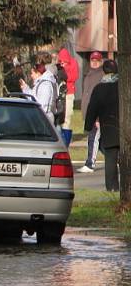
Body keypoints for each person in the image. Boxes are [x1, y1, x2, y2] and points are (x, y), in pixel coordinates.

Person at [84, 59, 120, 192]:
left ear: (104, 71)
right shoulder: (123, 86)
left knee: (110, 158)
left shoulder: (99, 89)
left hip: (109, 128)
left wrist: (88, 126)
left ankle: (112, 187)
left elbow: (92, 108)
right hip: (125, 127)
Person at [77, 51, 104, 173]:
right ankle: (120, 160)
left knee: (93, 138)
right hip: (89, 113)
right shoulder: (88, 75)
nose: (94, 62)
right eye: (93, 60)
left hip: (97, 114)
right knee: (102, 143)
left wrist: (98, 117)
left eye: (97, 60)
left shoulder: (101, 75)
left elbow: (100, 98)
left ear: (101, 61)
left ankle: (90, 163)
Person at [56, 46, 79, 145]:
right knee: (58, 117)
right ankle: (59, 138)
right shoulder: (58, 65)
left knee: (67, 117)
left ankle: (66, 141)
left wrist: (64, 71)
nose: (63, 63)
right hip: (59, 94)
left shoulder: (73, 63)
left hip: (69, 93)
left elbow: (74, 77)